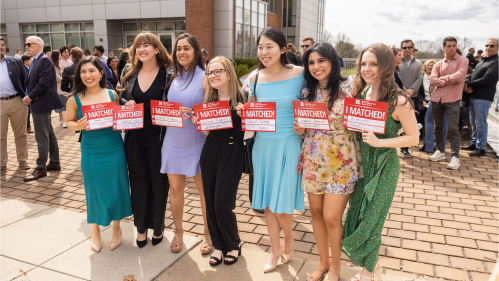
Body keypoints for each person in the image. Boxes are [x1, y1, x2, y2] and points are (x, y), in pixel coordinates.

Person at [342, 43, 419, 281]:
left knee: (372, 221)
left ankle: (368, 273)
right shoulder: (362, 93)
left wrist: (380, 143)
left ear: (385, 66)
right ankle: (374, 267)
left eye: (373, 64)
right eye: (363, 63)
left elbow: (414, 138)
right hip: (362, 164)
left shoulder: (398, 100)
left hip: (384, 167)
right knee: (356, 216)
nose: (367, 69)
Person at [235, 27, 305, 273]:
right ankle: (275, 251)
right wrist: (245, 111)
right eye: (260, 47)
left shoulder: (301, 74)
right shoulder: (253, 78)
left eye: (269, 47)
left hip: (290, 142)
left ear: (283, 49)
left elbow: (311, 108)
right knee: (267, 203)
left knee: (281, 204)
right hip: (263, 144)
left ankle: (289, 239)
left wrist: (303, 128)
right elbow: (252, 111)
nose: (264, 52)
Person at [295, 42, 362, 281]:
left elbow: (367, 117)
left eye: (321, 60)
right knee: (315, 213)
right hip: (313, 159)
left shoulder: (351, 87)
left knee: (332, 217)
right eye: (311, 62)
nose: (316, 66)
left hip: (342, 163)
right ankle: (322, 263)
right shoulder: (307, 92)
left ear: (332, 61)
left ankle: (336, 267)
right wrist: (299, 128)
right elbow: (303, 127)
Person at [65, 56, 133, 252]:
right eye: (83, 72)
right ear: (79, 75)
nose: (88, 75)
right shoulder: (74, 99)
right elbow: (69, 121)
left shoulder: (113, 95)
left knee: (118, 186)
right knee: (93, 189)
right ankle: (95, 230)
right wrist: (76, 125)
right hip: (91, 148)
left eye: (92, 71)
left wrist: (128, 111)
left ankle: (117, 228)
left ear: (101, 73)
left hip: (113, 146)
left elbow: (122, 119)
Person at [191, 56, 246, 266]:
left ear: (229, 73)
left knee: (222, 204)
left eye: (218, 71)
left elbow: (255, 130)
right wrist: (200, 123)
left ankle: (234, 243)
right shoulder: (209, 101)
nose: (213, 75)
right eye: (210, 72)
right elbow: (208, 132)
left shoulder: (244, 98)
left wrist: (246, 116)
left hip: (232, 152)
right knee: (211, 203)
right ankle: (219, 245)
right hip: (211, 150)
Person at [160, 33, 212, 255]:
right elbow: (164, 108)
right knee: (175, 189)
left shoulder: (206, 77)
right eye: (178, 48)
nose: (181, 52)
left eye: (186, 48)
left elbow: (213, 110)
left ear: (197, 52)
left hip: (198, 140)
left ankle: (208, 234)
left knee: (204, 192)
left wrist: (198, 116)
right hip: (173, 140)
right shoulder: (172, 77)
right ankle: (179, 232)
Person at [120, 33, 172, 248]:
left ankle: (158, 227)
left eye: (146, 45)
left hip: (160, 138)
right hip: (135, 137)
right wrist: (126, 103)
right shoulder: (129, 73)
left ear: (157, 49)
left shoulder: (169, 76)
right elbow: (121, 95)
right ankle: (141, 228)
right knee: (138, 182)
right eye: (138, 46)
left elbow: (173, 103)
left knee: (159, 184)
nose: (142, 49)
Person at [22, 36, 64, 182]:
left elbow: (43, 83)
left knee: (41, 136)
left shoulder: (44, 60)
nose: (26, 46)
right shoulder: (38, 60)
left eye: (29, 44)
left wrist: (30, 97)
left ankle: (41, 168)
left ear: (39, 46)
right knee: (49, 133)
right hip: (40, 102)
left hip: (41, 102)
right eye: (26, 44)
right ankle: (54, 162)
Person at [429, 36, 469, 170]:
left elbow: (460, 76)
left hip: (453, 99)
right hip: (436, 99)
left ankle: (455, 157)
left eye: (454, 45)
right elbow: (432, 81)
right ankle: (440, 151)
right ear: (443, 48)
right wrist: (447, 81)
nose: (452, 48)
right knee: (438, 127)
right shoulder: (438, 64)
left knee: (453, 129)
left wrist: (443, 78)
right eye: (449, 46)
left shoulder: (463, 60)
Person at [462, 38, 499, 156]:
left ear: (498, 48)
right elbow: (473, 75)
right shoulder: (483, 60)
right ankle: (474, 143)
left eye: (492, 46)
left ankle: (481, 147)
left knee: (480, 123)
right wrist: (466, 79)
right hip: (474, 96)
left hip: (483, 97)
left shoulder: (496, 62)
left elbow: (486, 79)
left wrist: (467, 84)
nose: (488, 48)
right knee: (474, 122)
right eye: (487, 45)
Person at [0, 37, 29, 171]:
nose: (1, 47)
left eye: (2, 45)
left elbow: (26, 79)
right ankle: (2, 163)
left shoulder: (15, 61)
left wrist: (27, 96)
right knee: (1, 136)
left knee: (21, 133)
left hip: (17, 101)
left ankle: (22, 160)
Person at [398, 39, 423, 158]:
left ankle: (404, 148)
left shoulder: (418, 64)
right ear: (401, 49)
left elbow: (419, 79)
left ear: (413, 48)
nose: (407, 50)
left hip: (413, 97)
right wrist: (404, 91)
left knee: (408, 123)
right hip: (398, 97)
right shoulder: (397, 62)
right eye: (404, 47)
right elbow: (394, 79)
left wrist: (411, 91)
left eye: (409, 47)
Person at [421, 59, 448, 153]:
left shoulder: (437, 75)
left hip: (436, 99)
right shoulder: (458, 68)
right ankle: (440, 148)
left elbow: (433, 87)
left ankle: (428, 146)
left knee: (429, 121)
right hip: (450, 99)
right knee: (444, 122)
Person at [50, 50, 67, 128]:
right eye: (60, 55)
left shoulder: (57, 64)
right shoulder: (53, 66)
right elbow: (57, 78)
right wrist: (65, 78)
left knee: (62, 105)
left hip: (60, 88)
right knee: (64, 106)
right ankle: (64, 122)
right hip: (59, 88)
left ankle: (61, 121)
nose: (61, 56)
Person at [21, 54, 34, 133]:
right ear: (25, 62)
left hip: (29, 93)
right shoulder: (23, 70)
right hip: (25, 93)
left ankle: (27, 127)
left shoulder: (29, 68)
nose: (32, 62)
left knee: (28, 112)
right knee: (26, 112)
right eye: (31, 60)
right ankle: (27, 127)